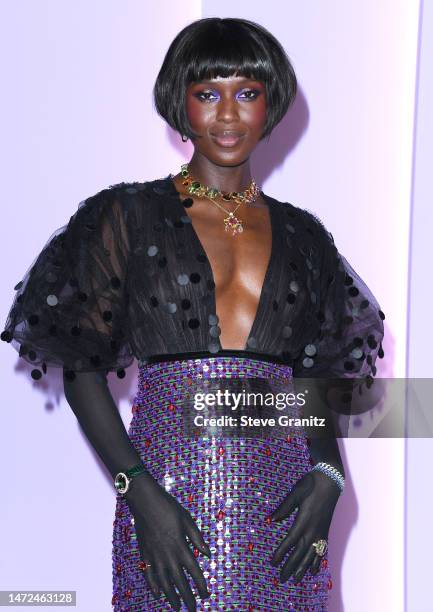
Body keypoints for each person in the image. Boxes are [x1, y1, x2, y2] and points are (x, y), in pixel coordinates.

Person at [1, 17, 385, 611]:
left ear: (270, 104)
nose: (228, 116)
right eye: (208, 93)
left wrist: (330, 477)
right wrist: (139, 494)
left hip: (287, 512)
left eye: (247, 94)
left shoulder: (305, 236)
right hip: (168, 504)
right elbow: (82, 370)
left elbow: (312, 378)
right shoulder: (125, 214)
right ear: (179, 102)